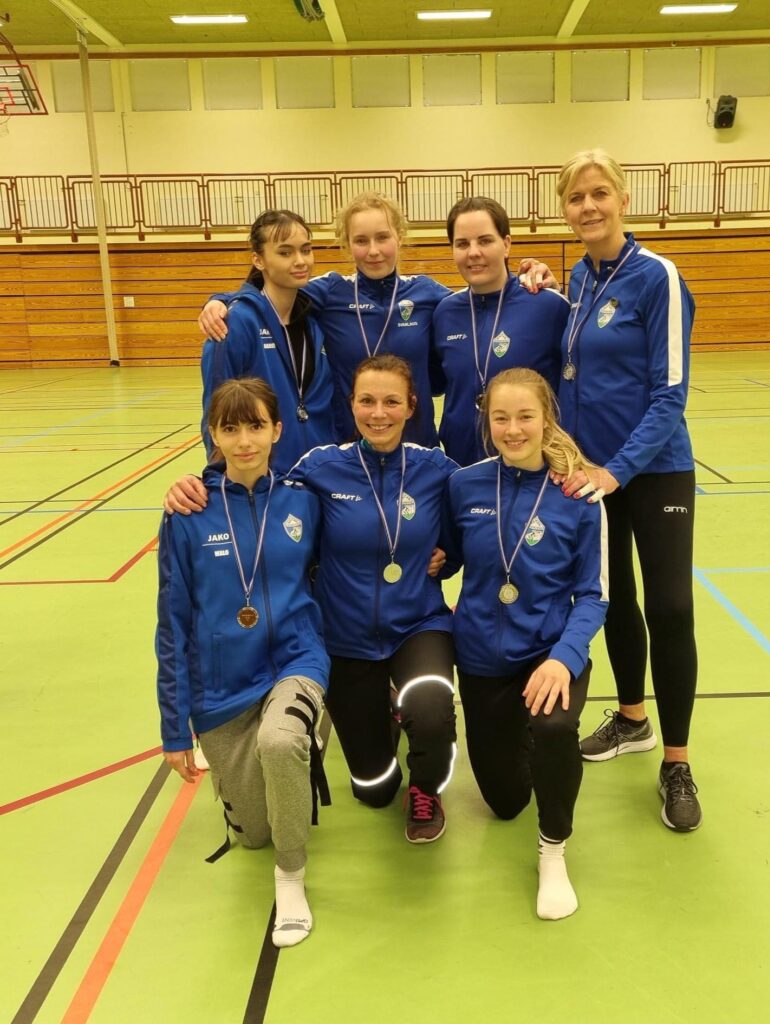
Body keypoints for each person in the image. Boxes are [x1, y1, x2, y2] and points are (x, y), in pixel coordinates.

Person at [165, 355, 458, 844]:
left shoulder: (438, 469)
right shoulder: (319, 468)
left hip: (418, 625)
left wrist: (446, 560)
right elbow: (256, 484)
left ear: (412, 407)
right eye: (367, 401)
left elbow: (480, 514)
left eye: (391, 402)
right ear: (352, 405)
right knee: (374, 789)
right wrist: (196, 482)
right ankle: (388, 716)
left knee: (431, 711)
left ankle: (426, 788)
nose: (378, 413)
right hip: (345, 636)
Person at [555, 147, 702, 832]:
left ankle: (677, 760)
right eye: (575, 197)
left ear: (623, 198)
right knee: (613, 602)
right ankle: (632, 718)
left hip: (655, 470)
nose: (588, 206)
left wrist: (617, 470)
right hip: (593, 475)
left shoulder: (657, 276)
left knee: (670, 607)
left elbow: (670, 393)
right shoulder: (577, 280)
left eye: (598, 193)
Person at [156, 377, 330, 948]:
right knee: (253, 833)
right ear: (213, 435)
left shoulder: (304, 499)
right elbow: (172, 624)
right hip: (223, 684)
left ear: (277, 430)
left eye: (256, 426)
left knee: (280, 742)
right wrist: (173, 728)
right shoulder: (188, 513)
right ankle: (269, 787)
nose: (245, 441)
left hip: (297, 659)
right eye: (230, 428)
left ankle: (291, 876)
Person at [197, 192, 555, 448]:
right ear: (346, 244)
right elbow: (276, 290)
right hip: (349, 449)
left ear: (399, 237)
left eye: (383, 237)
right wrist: (223, 300)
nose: (373, 251)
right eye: (361, 240)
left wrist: (534, 276)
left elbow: (485, 301)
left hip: (417, 448)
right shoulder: (329, 292)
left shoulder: (431, 296)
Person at [442, 367, 608, 920]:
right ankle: (529, 745)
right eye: (501, 418)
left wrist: (564, 658)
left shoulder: (579, 494)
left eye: (525, 417)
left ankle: (553, 849)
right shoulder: (464, 485)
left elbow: (594, 595)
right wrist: (434, 562)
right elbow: (450, 554)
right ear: (487, 423)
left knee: (555, 730)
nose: (513, 429)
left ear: (547, 419)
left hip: (549, 652)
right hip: (482, 658)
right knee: (506, 802)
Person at [432, 197, 569, 466]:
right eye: (462, 244)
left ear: (506, 244)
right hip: (461, 467)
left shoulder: (549, 306)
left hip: (533, 468)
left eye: (485, 241)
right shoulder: (444, 312)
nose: (473, 252)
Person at [200, 209, 336, 474]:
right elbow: (215, 413)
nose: (300, 261)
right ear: (258, 260)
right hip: (268, 479)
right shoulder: (235, 323)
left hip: (320, 474)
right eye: (285, 253)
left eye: (306, 250)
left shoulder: (315, 318)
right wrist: (220, 479)